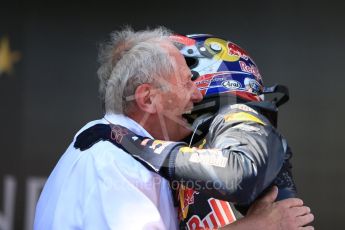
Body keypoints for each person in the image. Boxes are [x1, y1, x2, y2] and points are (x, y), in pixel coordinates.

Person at [34, 27, 313, 229]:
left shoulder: (119, 151)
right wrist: (259, 226)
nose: (197, 94)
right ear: (148, 98)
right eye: (187, 82)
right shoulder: (110, 159)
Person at [169, 34, 302, 229]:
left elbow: (240, 173)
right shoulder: (199, 136)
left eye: (183, 75)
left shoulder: (237, 117)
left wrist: (152, 151)